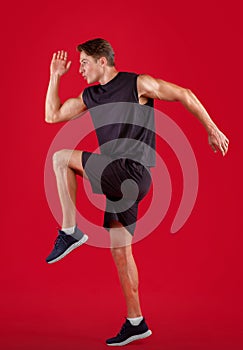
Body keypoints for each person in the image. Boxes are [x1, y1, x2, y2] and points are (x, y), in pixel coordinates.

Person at [44, 38, 229, 346]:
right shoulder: (90, 96)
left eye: (84, 63)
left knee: (60, 158)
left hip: (131, 170)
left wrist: (213, 128)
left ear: (102, 61)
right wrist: (54, 76)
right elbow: (53, 115)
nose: (79, 69)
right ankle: (136, 321)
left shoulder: (138, 84)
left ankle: (70, 230)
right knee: (120, 251)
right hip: (121, 179)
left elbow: (184, 94)